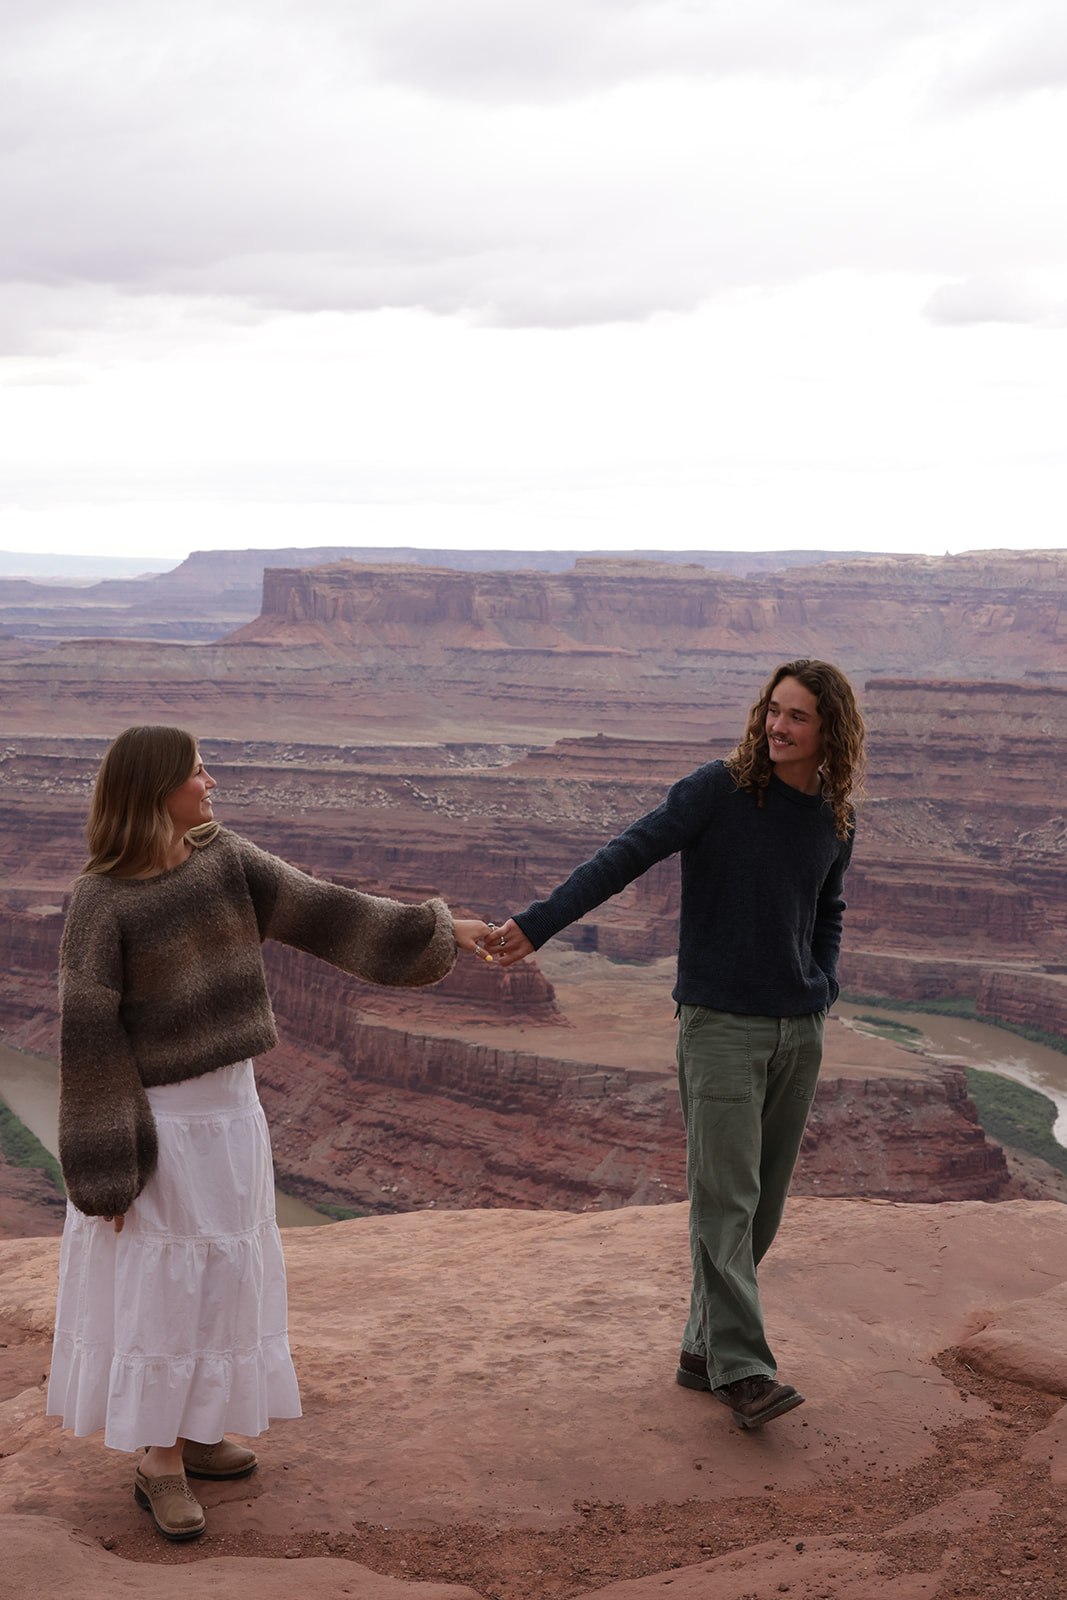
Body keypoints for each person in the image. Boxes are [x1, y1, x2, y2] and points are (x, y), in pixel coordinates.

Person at [46, 725, 493, 1539]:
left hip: (230, 1111)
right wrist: (107, 1171)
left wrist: (441, 929)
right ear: (155, 792)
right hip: (162, 1124)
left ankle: (199, 1426)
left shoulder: (225, 860)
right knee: (164, 1285)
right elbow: (88, 1040)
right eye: (195, 773)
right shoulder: (101, 901)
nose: (211, 783)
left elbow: (325, 910)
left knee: (223, 1273)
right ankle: (158, 1460)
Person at [489, 659, 865, 1430]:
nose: (776, 727)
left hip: (798, 1029)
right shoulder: (717, 792)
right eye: (771, 710)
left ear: (829, 731)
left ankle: (701, 1350)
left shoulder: (833, 815)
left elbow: (827, 909)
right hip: (720, 1026)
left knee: (760, 1208)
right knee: (724, 1201)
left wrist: (821, 984)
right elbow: (623, 857)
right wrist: (538, 924)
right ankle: (745, 1372)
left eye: (796, 716)